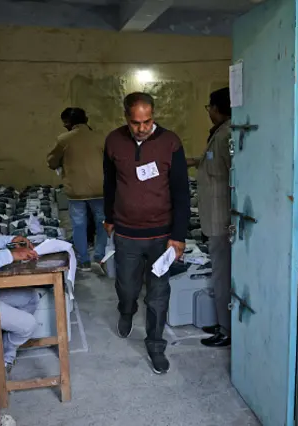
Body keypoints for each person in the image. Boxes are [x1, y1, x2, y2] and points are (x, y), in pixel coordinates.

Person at [103, 92, 191, 374]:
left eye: (147, 121)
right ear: (125, 118)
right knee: (127, 286)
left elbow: (181, 192)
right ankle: (126, 310)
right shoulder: (114, 141)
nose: (142, 128)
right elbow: (109, 182)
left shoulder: (170, 142)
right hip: (127, 232)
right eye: (135, 122)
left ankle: (155, 344)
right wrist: (108, 216)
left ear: (154, 115)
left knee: (157, 294)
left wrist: (177, 236)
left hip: (160, 235)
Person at [0, 155, 40, 374]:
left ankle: (4, 356)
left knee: (30, 296)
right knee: (28, 325)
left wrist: (10, 241)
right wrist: (12, 255)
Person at [187, 88, 232, 347]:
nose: (208, 112)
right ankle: (223, 321)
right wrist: (196, 161)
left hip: (221, 218)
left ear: (216, 108)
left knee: (222, 274)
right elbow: (213, 163)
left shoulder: (227, 134)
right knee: (219, 272)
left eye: (209, 107)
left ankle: (227, 330)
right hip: (215, 216)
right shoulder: (219, 133)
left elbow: (233, 175)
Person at [47, 107, 107, 274]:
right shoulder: (100, 137)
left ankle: (84, 261)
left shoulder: (64, 139)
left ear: (68, 122)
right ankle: (100, 256)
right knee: (102, 223)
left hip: (76, 191)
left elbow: (52, 162)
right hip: (100, 189)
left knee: (79, 225)